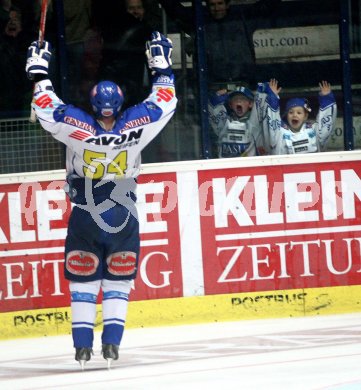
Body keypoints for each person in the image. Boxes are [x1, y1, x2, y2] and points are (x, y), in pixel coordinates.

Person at [25, 31, 177, 369]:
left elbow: (46, 107)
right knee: (118, 281)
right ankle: (111, 345)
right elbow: (165, 101)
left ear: (93, 104)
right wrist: (161, 67)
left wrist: (39, 72)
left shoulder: (77, 128)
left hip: (84, 215)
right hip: (123, 216)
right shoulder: (138, 125)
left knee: (83, 282)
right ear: (120, 104)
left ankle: (81, 348)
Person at [157, 0, 280, 89]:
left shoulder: (242, 19)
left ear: (227, 4)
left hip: (243, 83)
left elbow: (268, 5)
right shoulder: (199, 22)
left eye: (220, 3)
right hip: (211, 87)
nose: (216, 8)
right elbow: (174, 9)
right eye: (212, 4)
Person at [255, 79, 337, 155]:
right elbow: (272, 123)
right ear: (286, 116)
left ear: (305, 116)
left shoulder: (313, 130)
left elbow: (325, 128)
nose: (295, 115)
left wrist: (326, 98)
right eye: (291, 112)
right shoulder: (280, 134)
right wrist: (273, 98)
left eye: (299, 113)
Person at [208, 86, 265, 158]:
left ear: (250, 104)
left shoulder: (256, 122)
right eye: (235, 99)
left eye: (243, 99)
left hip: (250, 166)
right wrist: (215, 101)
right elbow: (213, 114)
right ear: (230, 105)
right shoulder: (225, 122)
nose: (239, 101)